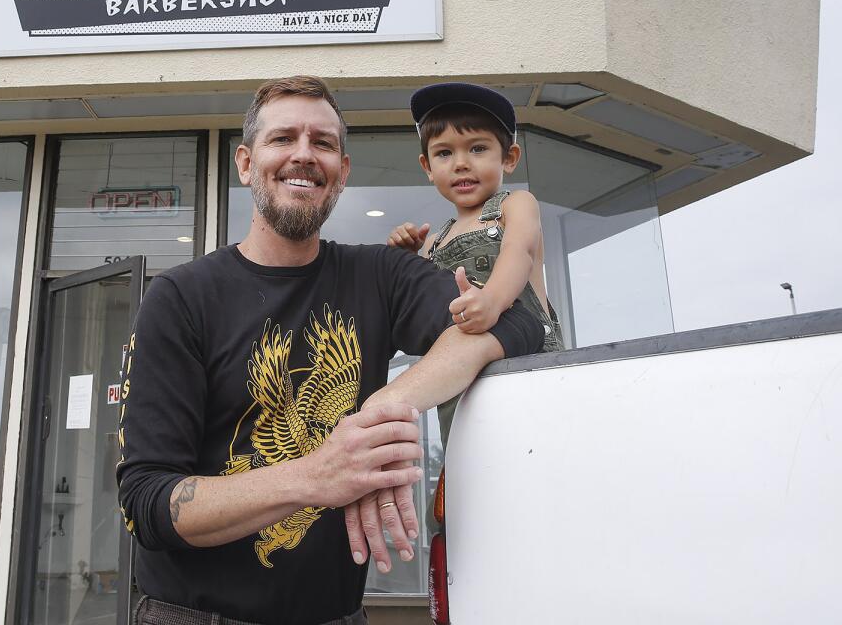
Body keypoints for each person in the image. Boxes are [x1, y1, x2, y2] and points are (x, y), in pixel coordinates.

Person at [116, 76, 544, 625]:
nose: (303, 154)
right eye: (283, 139)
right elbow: (148, 503)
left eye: (322, 143)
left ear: (341, 171)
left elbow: (520, 319)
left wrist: (378, 412)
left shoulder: (380, 277)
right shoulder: (180, 299)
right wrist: (318, 474)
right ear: (246, 164)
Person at [387, 83, 565, 455]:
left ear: (509, 157)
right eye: (444, 153)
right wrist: (403, 258)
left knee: (530, 453)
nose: (461, 163)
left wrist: (494, 301)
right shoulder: (435, 240)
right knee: (470, 458)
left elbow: (519, 252)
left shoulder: (515, 205)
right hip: (461, 382)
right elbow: (419, 303)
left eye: (478, 148)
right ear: (428, 167)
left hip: (524, 361)